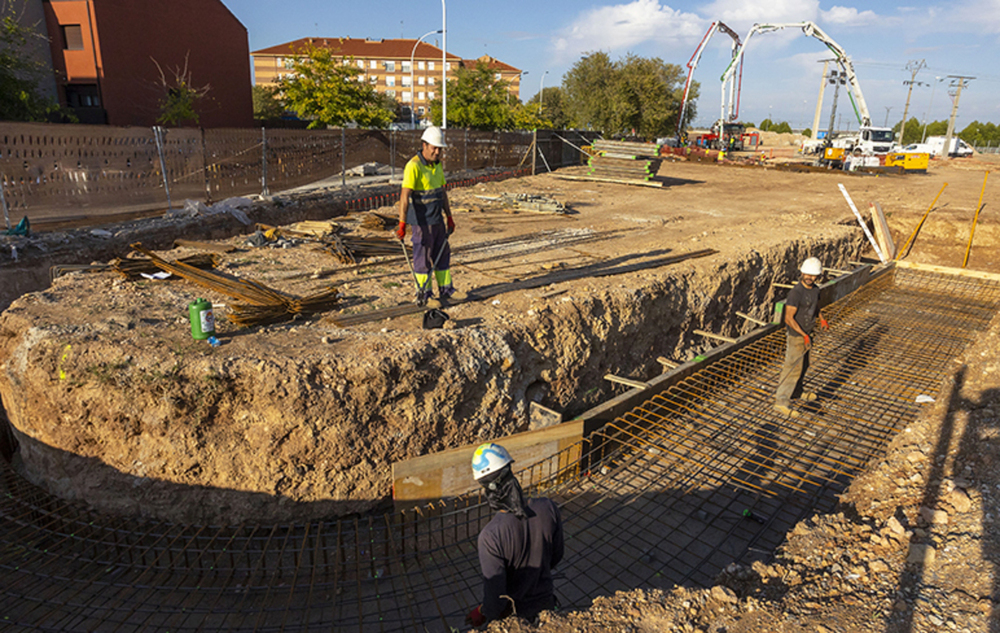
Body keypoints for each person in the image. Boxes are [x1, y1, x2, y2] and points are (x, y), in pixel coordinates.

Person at [465, 443, 564, 629]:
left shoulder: (490, 536)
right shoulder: (548, 507)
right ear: (510, 470)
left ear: (485, 487)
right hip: (547, 609)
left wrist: (482, 611)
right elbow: (556, 556)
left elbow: (497, 598)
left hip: (515, 621)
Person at [395, 126, 467, 307]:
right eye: (434, 147)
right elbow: (404, 196)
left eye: (439, 148)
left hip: (437, 221)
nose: (437, 151)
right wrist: (402, 223)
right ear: (424, 145)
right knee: (423, 259)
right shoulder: (413, 166)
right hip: (422, 223)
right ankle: (425, 294)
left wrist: (449, 216)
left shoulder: (437, 165)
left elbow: (442, 193)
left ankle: (446, 289)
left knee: (442, 255)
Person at [774, 257, 829, 418]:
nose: (810, 277)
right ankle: (781, 402)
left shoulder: (815, 290)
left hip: (808, 333)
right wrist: (804, 335)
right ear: (802, 272)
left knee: (805, 364)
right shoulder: (795, 293)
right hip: (797, 335)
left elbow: (815, 306)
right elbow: (788, 318)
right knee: (792, 367)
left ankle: (797, 392)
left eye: (813, 275)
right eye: (807, 274)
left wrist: (822, 318)